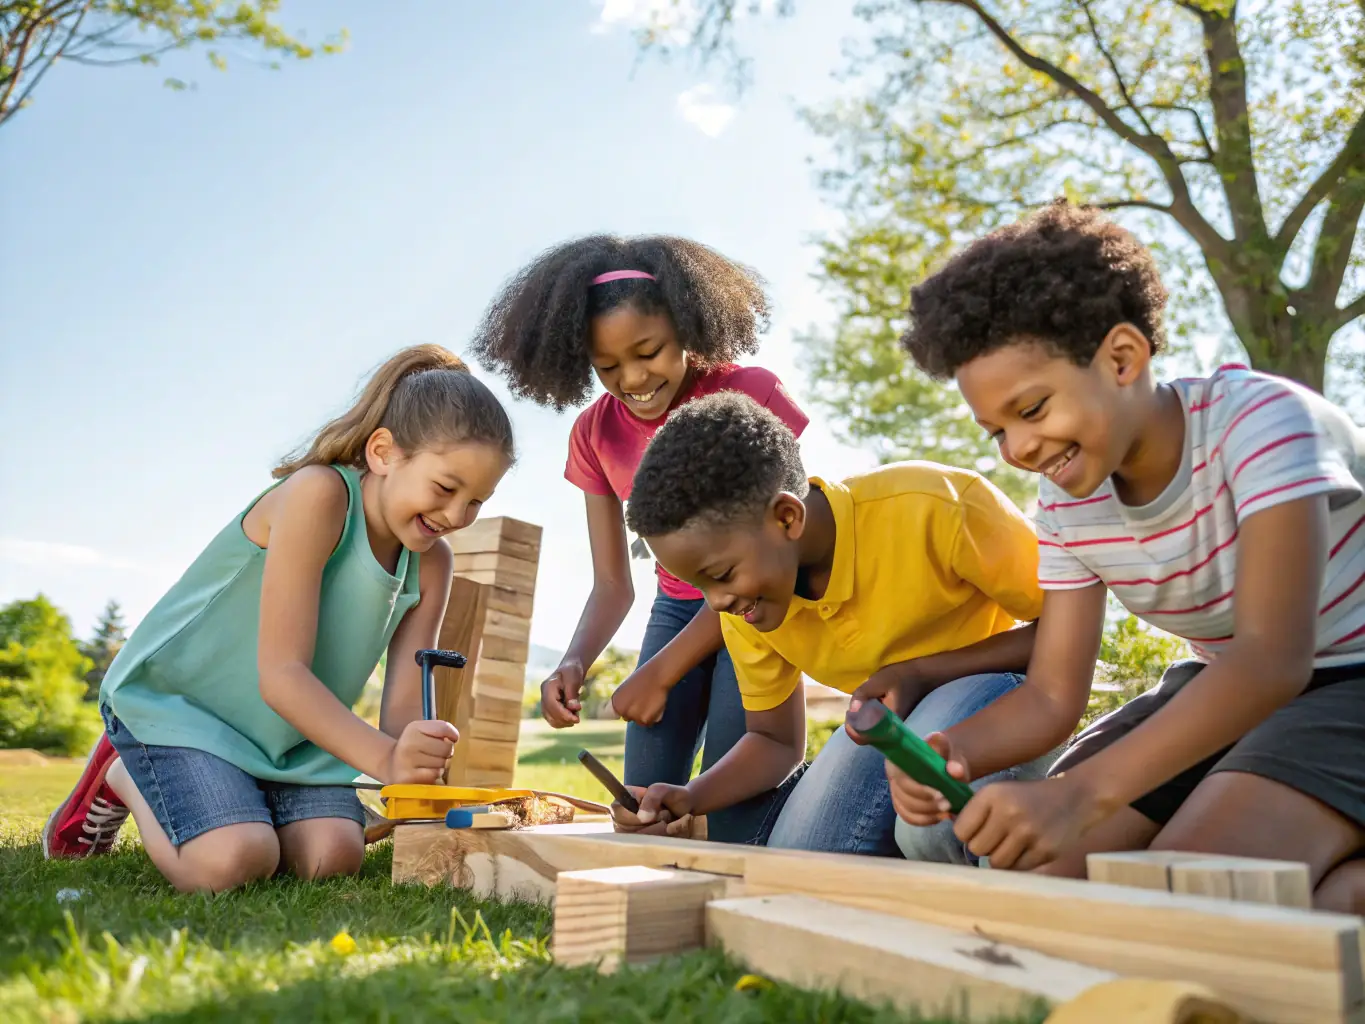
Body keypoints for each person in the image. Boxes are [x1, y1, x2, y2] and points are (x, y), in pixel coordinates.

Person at [892, 199, 1365, 909]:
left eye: (1031, 410)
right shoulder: (1067, 504)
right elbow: (1052, 696)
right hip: (1228, 688)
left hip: (1345, 683)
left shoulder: (1263, 423)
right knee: (1045, 887)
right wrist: (948, 751)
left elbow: (1271, 660)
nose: (1018, 448)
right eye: (995, 431)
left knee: (1186, 895)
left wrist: (1080, 793)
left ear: (1120, 358)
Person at [43, 345, 516, 893]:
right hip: (185, 712)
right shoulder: (318, 495)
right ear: (385, 453)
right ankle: (122, 772)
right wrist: (385, 757)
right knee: (233, 861)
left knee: (332, 857)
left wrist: (411, 762)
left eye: (477, 501)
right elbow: (282, 675)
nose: (457, 516)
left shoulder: (433, 563)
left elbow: (404, 704)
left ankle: (243, 793)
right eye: (445, 488)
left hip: (288, 737)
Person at [469, 234, 809, 844]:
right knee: (640, 810)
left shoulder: (752, 392)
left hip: (757, 605)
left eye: (648, 351)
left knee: (738, 814)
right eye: (607, 368)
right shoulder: (593, 433)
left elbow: (787, 550)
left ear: (686, 326)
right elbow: (611, 583)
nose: (632, 379)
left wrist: (661, 671)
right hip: (677, 607)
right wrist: (574, 662)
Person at [612, 390, 1052, 859]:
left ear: (787, 516)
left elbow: (1064, 628)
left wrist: (923, 672)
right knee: (802, 856)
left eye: (721, 576)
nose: (716, 602)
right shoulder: (747, 606)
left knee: (929, 831)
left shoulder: (935, 506)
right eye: (700, 586)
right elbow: (774, 740)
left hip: (1005, 689)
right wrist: (691, 796)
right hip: (889, 723)